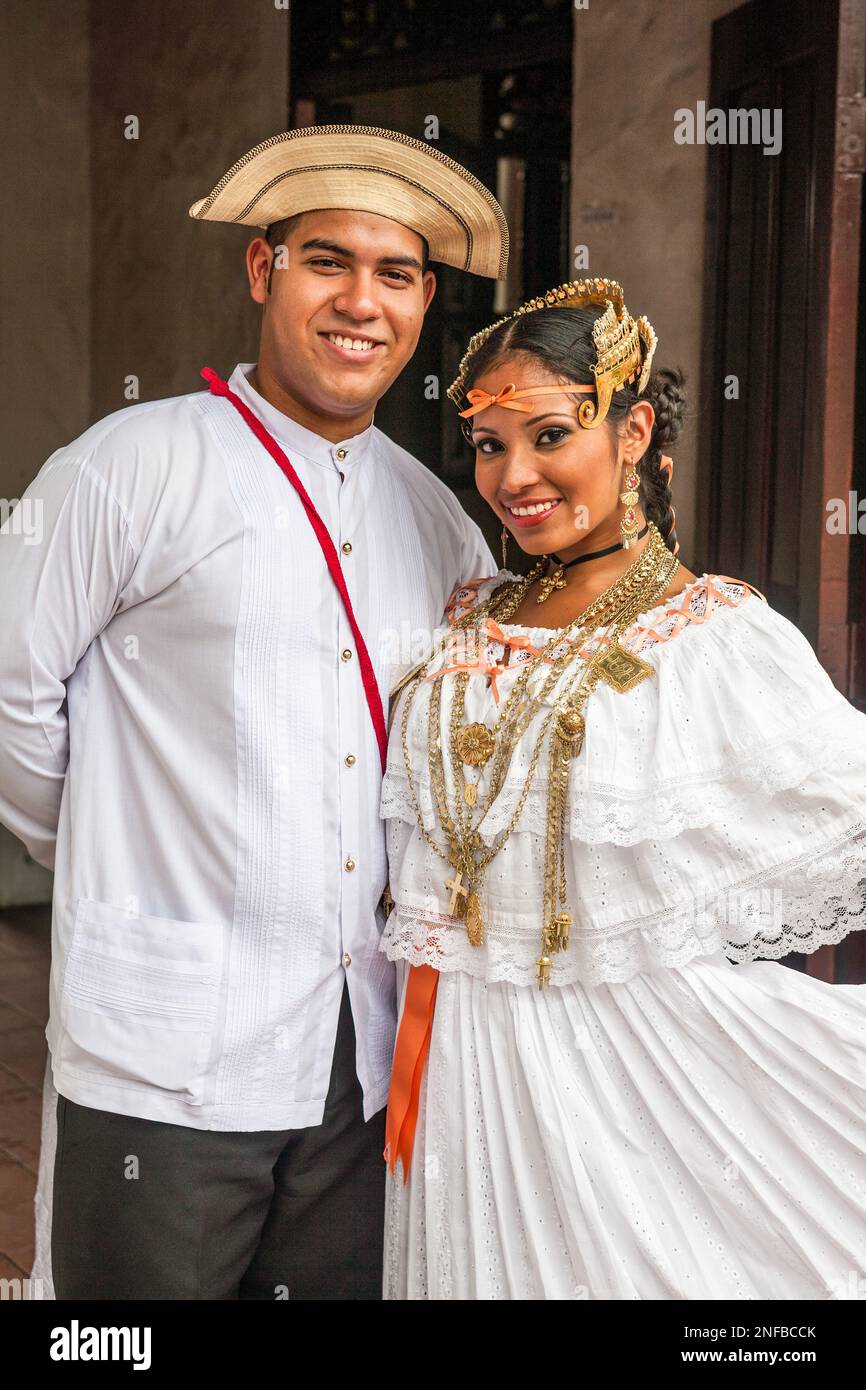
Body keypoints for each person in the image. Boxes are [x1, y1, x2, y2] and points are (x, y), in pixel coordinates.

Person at [0, 124, 503, 1299]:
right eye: (327, 260)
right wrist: (108, 856)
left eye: (393, 275)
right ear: (261, 268)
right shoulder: (126, 466)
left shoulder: (440, 523)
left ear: (424, 301)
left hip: (359, 1059)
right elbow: (9, 696)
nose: (359, 302)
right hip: (164, 1053)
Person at [378, 274, 866, 1299]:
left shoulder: (713, 639)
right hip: (461, 1064)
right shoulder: (463, 613)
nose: (514, 474)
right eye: (488, 445)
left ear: (633, 429)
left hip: (632, 1078)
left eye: (549, 434)